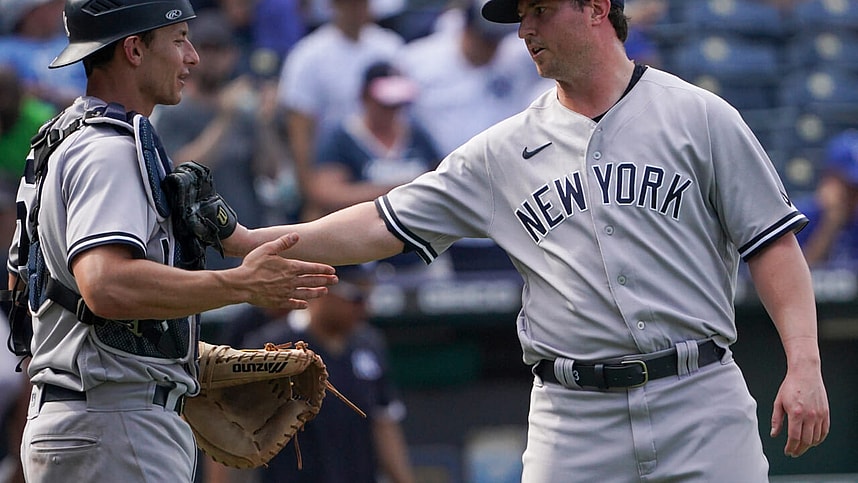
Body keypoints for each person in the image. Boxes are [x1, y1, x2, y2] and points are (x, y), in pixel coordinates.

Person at [227, 0, 830, 480]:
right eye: (520, 16)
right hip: (574, 416)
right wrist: (248, 239)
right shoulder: (501, 151)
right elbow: (379, 223)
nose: (524, 29)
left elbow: (772, 244)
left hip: (700, 397)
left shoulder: (700, 116)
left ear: (596, 8)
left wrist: (804, 365)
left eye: (539, 10)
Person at [5, 1, 337, 482]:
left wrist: (175, 355)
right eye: (179, 38)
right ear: (135, 49)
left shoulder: (63, 135)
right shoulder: (110, 149)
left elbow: (32, 286)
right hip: (114, 423)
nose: (193, 57)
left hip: (93, 415)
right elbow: (105, 284)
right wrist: (240, 286)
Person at [207, 264, 416, 483]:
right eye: (357, 297)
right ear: (323, 289)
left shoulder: (370, 344)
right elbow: (230, 431)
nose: (366, 307)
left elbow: (383, 424)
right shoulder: (270, 347)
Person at [152, 11, 296, 268]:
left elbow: (271, 172)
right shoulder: (174, 110)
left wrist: (263, 121)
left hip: (245, 239)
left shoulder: (245, 111)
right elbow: (180, 171)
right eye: (206, 50)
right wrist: (224, 119)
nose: (212, 59)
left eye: (220, 50)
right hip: (196, 247)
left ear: (233, 56)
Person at [275, 0, 404, 218]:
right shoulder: (308, 55)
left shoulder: (390, 46)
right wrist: (311, 194)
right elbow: (299, 129)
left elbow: (402, 113)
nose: (358, 10)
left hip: (381, 164)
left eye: (362, 4)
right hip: (330, 170)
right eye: (351, 4)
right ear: (335, 5)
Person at [0, 0, 87, 109]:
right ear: (29, 12)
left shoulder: (75, 45)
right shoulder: (5, 49)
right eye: (49, 7)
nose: (58, 11)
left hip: (82, 115)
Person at [795, 129, 858, 268]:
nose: (854, 195)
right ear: (830, 178)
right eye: (849, 187)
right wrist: (830, 224)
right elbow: (792, 279)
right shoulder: (802, 217)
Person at [0, 64, 56, 185]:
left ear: (20, 93)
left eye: (4, 92)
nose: (2, 102)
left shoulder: (42, 121)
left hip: (34, 187)